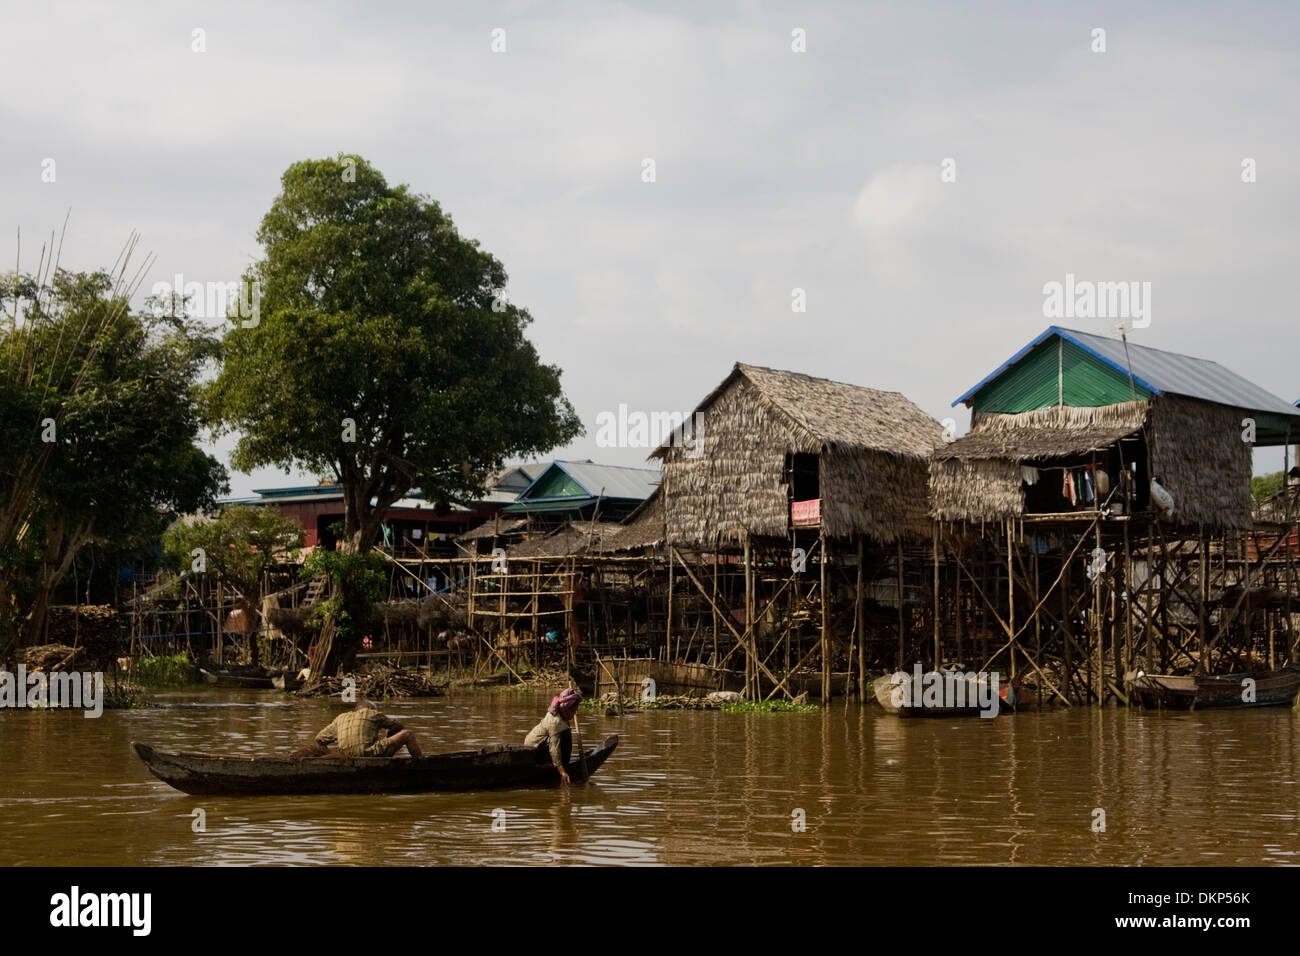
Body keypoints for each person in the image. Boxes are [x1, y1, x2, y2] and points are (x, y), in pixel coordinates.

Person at [308, 699, 423, 758]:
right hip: (369, 754)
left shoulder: (341, 717)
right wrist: (389, 734)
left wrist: (331, 754)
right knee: (408, 734)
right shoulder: (372, 713)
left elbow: (319, 739)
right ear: (370, 708)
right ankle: (421, 765)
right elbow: (398, 726)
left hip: (346, 757)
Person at [524, 688, 582, 784]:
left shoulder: (560, 714)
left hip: (543, 744)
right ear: (566, 709)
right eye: (573, 711)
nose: (574, 714)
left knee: (566, 734)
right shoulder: (555, 721)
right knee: (564, 737)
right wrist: (562, 772)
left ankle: (560, 764)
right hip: (534, 748)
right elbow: (554, 748)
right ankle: (550, 764)